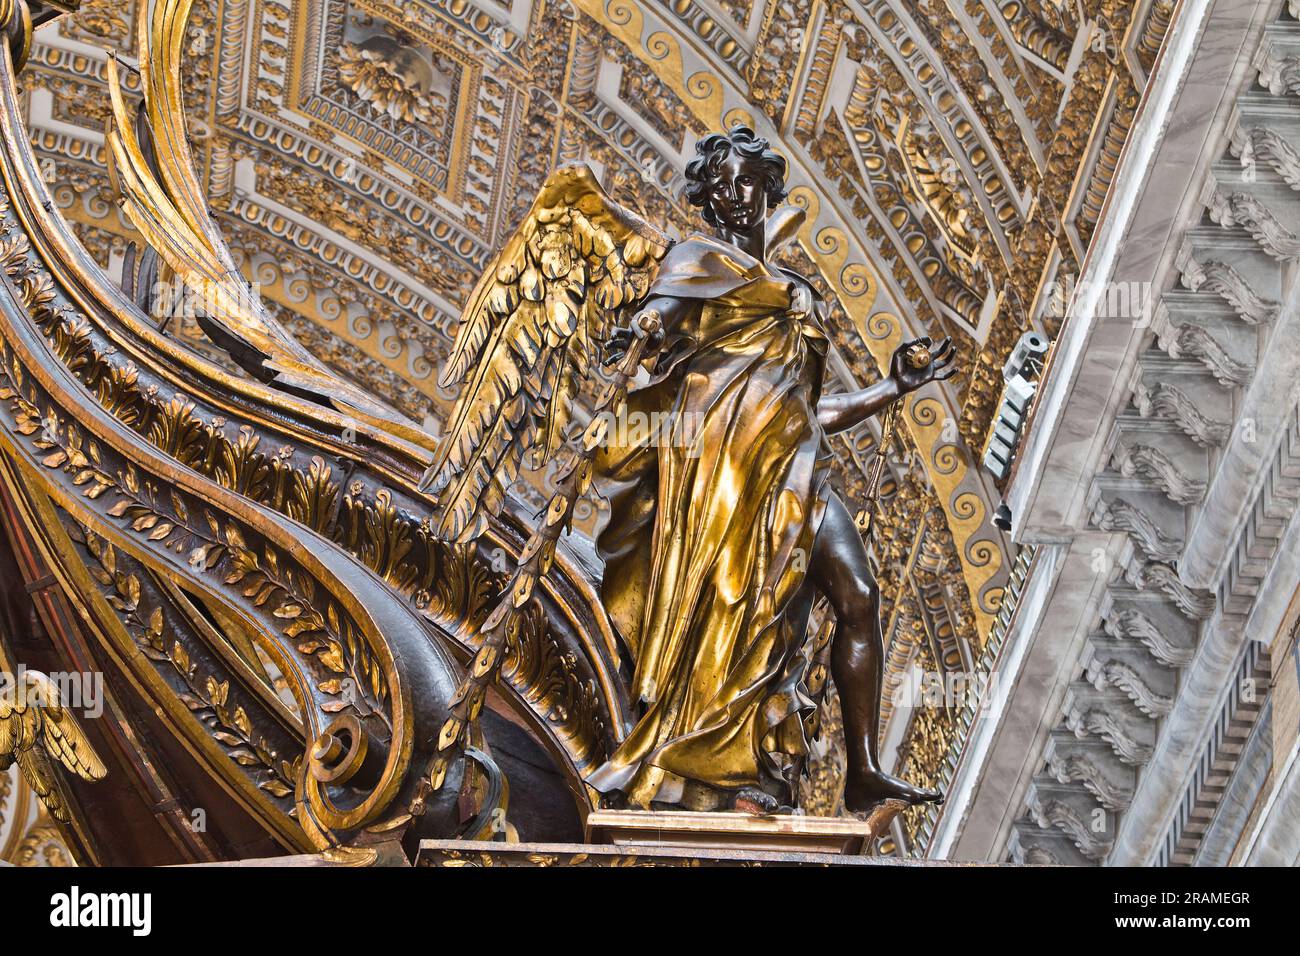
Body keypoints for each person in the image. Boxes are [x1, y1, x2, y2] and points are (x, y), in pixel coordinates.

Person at [589, 127, 956, 812]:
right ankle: (700, 751)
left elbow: (809, 410)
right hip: (728, 474)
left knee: (860, 597)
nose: (730, 194)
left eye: (742, 179)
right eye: (718, 185)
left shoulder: (793, 290)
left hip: (796, 467)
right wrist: (646, 331)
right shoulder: (700, 261)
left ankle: (864, 768)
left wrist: (893, 388)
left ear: (767, 184)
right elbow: (662, 314)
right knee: (734, 612)